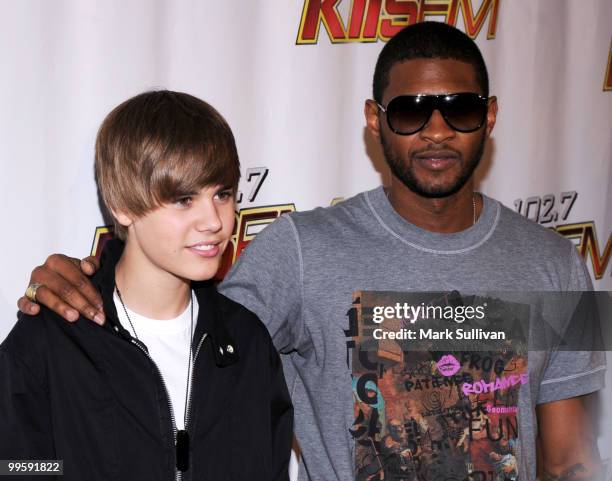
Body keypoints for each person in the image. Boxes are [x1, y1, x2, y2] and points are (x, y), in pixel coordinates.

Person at [16, 22, 604, 481]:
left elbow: (573, 455)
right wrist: (84, 275)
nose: (436, 130)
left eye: (461, 109)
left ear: (491, 115)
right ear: (375, 121)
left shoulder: (559, 262)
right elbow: (191, 339)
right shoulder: (300, 249)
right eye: (409, 111)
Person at [2, 90, 293, 480]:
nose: (214, 220)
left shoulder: (247, 343)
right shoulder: (52, 337)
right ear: (121, 204)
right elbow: (17, 468)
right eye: (184, 199)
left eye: (222, 194)